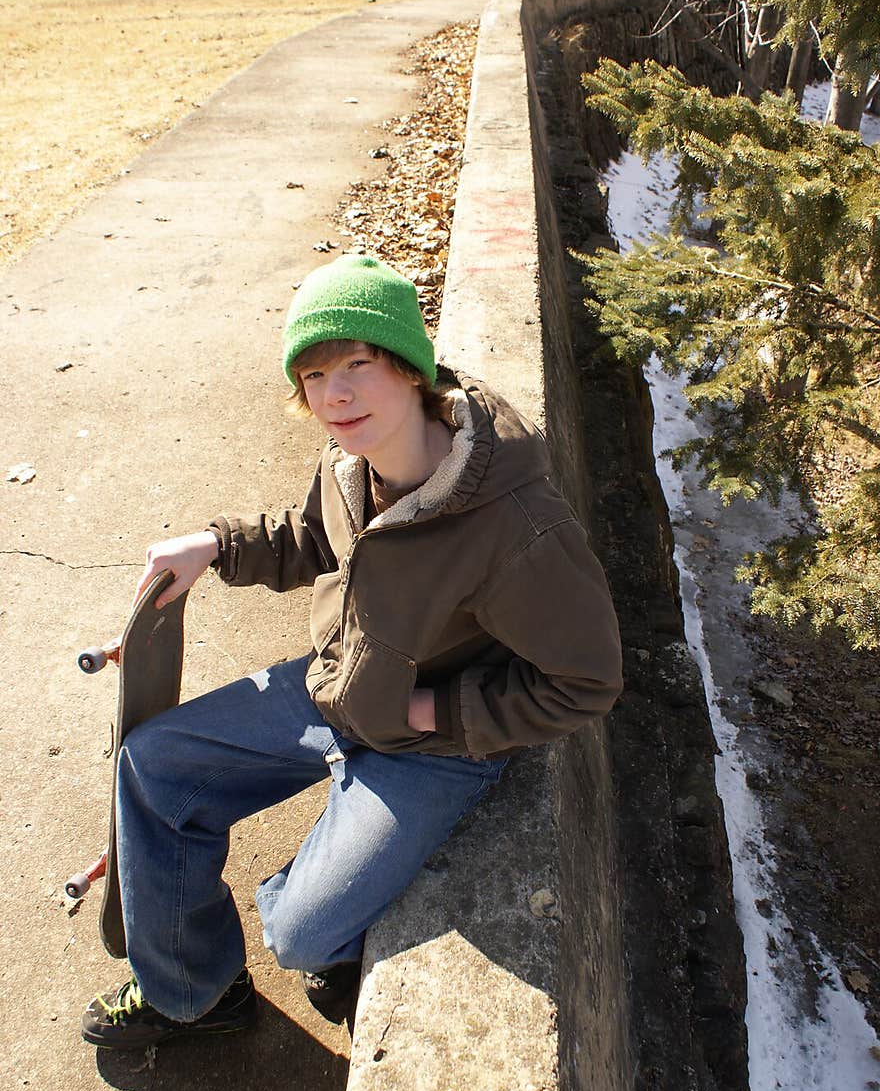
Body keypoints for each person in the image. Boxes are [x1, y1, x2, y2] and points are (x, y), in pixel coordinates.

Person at [81, 254, 623, 1047]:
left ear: (409, 367)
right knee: (154, 766)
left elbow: (588, 680)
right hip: (337, 683)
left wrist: (432, 708)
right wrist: (216, 546)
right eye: (312, 374)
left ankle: (333, 922)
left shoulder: (517, 526)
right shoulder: (351, 460)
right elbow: (311, 537)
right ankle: (193, 991)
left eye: (357, 365)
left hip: (431, 746)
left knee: (299, 936)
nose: (333, 394)